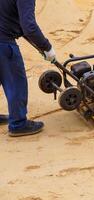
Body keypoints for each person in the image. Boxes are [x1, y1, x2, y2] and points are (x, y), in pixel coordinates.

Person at [0, 0, 56, 137]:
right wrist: (46, 47)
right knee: (16, 83)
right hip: (3, 43)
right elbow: (29, 26)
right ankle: (18, 124)